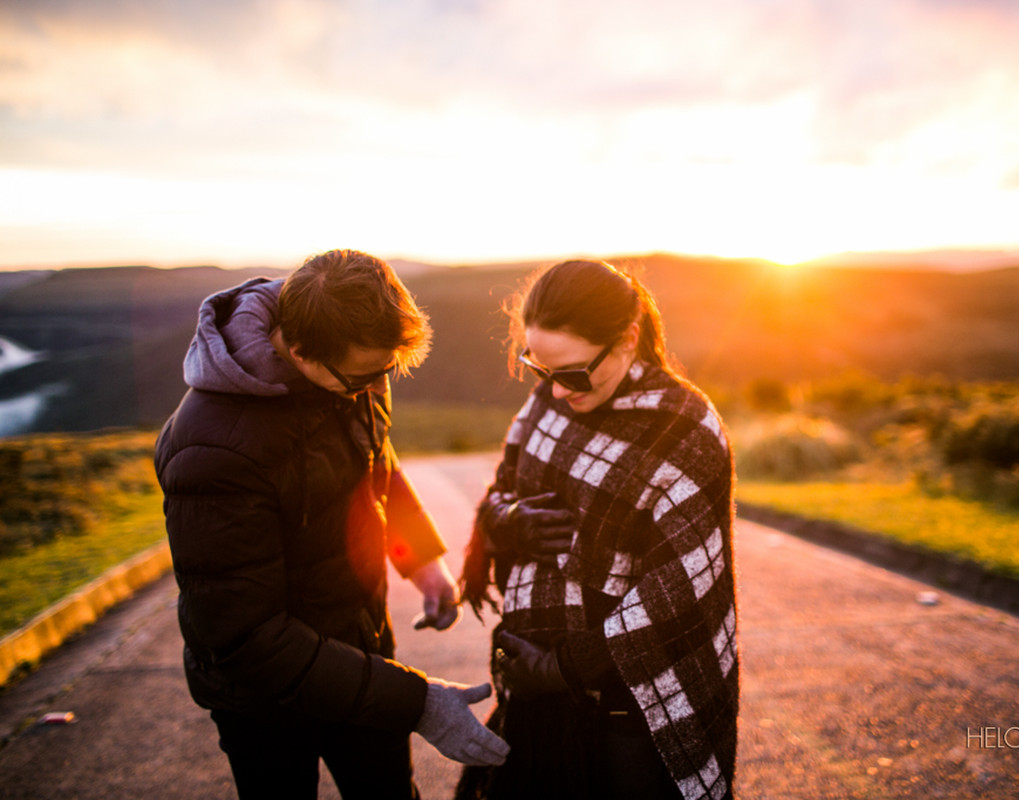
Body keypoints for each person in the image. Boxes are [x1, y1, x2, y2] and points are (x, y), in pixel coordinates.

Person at [155, 249, 509, 799]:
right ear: (299, 351)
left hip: (361, 651)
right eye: (367, 375)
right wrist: (417, 702)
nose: (378, 386)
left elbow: (376, 462)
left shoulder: (353, 373)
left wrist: (421, 560)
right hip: (263, 699)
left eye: (389, 370)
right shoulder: (212, 450)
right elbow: (246, 639)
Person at [456, 260, 739, 800]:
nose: (559, 393)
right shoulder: (548, 398)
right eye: (539, 369)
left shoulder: (685, 429)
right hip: (537, 705)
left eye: (575, 373)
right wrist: (507, 524)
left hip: (628, 710)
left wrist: (561, 667)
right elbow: (500, 494)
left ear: (628, 339)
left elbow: (675, 594)